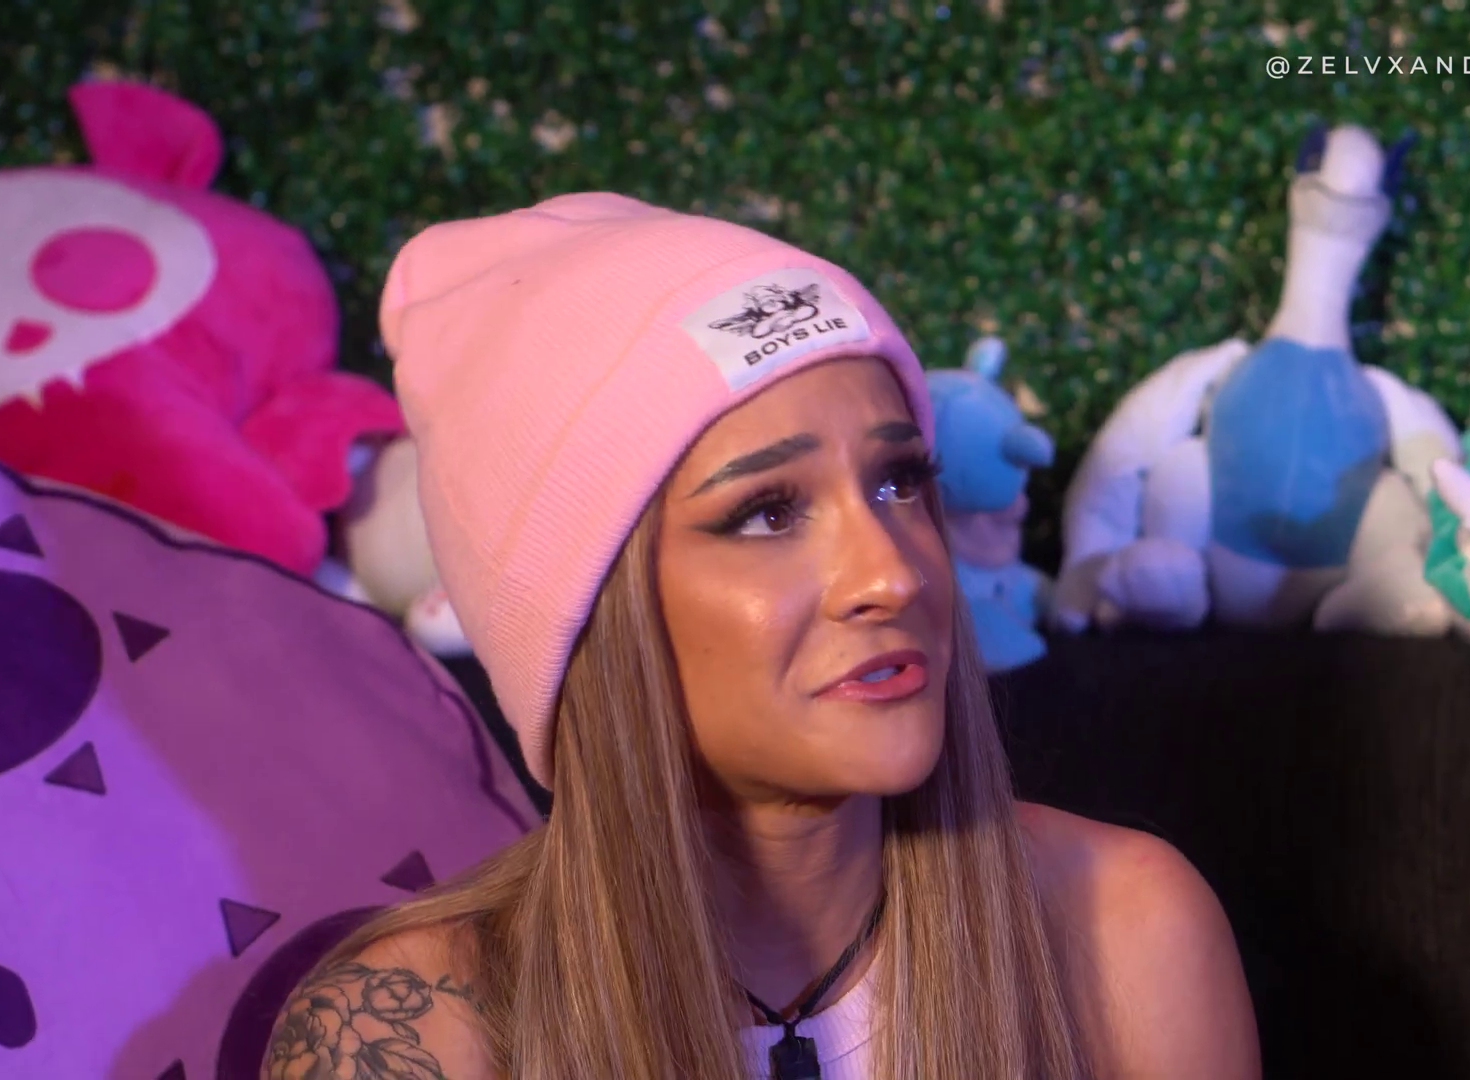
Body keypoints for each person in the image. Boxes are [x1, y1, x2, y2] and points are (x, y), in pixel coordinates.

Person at [262, 193, 1259, 1080]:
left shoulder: (1128, 934)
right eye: (768, 512)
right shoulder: (405, 1037)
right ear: (588, 616)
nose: (892, 574)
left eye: (898, 482)